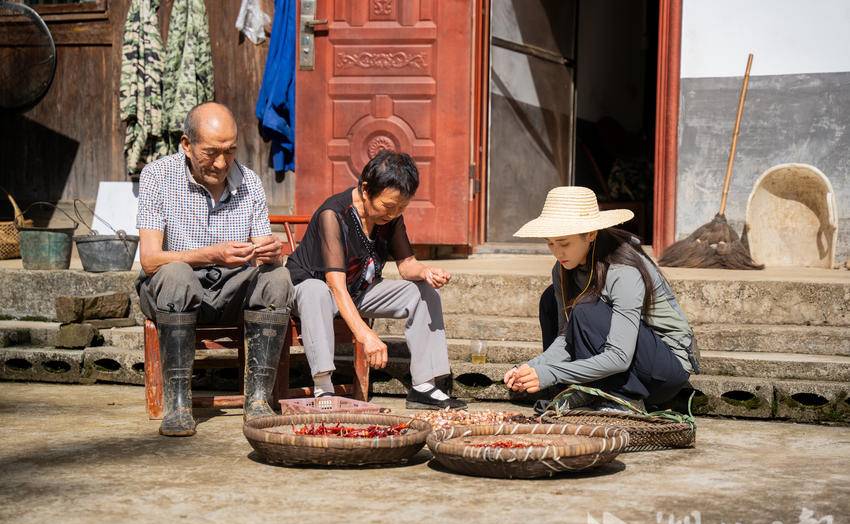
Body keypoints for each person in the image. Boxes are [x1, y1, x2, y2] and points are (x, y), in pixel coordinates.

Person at [136, 102, 294, 437]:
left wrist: (270, 251)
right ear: (186, 145)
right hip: (172, 293)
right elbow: (150, 259)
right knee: (177, 274)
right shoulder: (157, 176)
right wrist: (212, 254)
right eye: (211, 152)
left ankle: (258, 400)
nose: (222, 163)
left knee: (277, 278)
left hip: (231, 293)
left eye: (230, 151)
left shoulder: (249, 181)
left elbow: (265, 252)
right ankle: (178, 404)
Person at [286, 150, 466, 410]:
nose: (393, 214)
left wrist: (426, 272)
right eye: (389, 206)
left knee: (423, 293)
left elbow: (407, 266)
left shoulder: (390, 217)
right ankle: (323, 386)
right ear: (366, 189)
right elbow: (335, 286)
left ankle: (424, 386)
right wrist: (365, 335)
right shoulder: (333, 215)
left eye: (401, 208)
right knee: (316, 291)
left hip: (358, 289)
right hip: (314, 290)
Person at [504, 186, 698, 410]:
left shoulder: (623, 271)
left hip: (662, 371)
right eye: (550, 243)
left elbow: (619, 357)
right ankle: (578, 389)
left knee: (585, 310)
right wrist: (531, 367)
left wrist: (552, 372)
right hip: (618, 362)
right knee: (550, 299)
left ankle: (622, 397)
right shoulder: (561, 271)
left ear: (591, 234)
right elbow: (568, 337)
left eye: (564, 243)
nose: (557, 253)